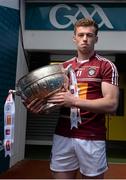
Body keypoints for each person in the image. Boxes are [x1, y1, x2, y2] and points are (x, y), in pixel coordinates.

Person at [25, 18, 119, 179]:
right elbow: (53, 102)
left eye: (89, 35)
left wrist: (73, 101)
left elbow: (111, 104)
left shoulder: (105, 66)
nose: (85, 39)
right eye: (81, 35)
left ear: (96, 39)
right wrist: (39, 109)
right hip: (63, 135)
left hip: (92, 137)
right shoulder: (62, 68)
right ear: (74, 38)